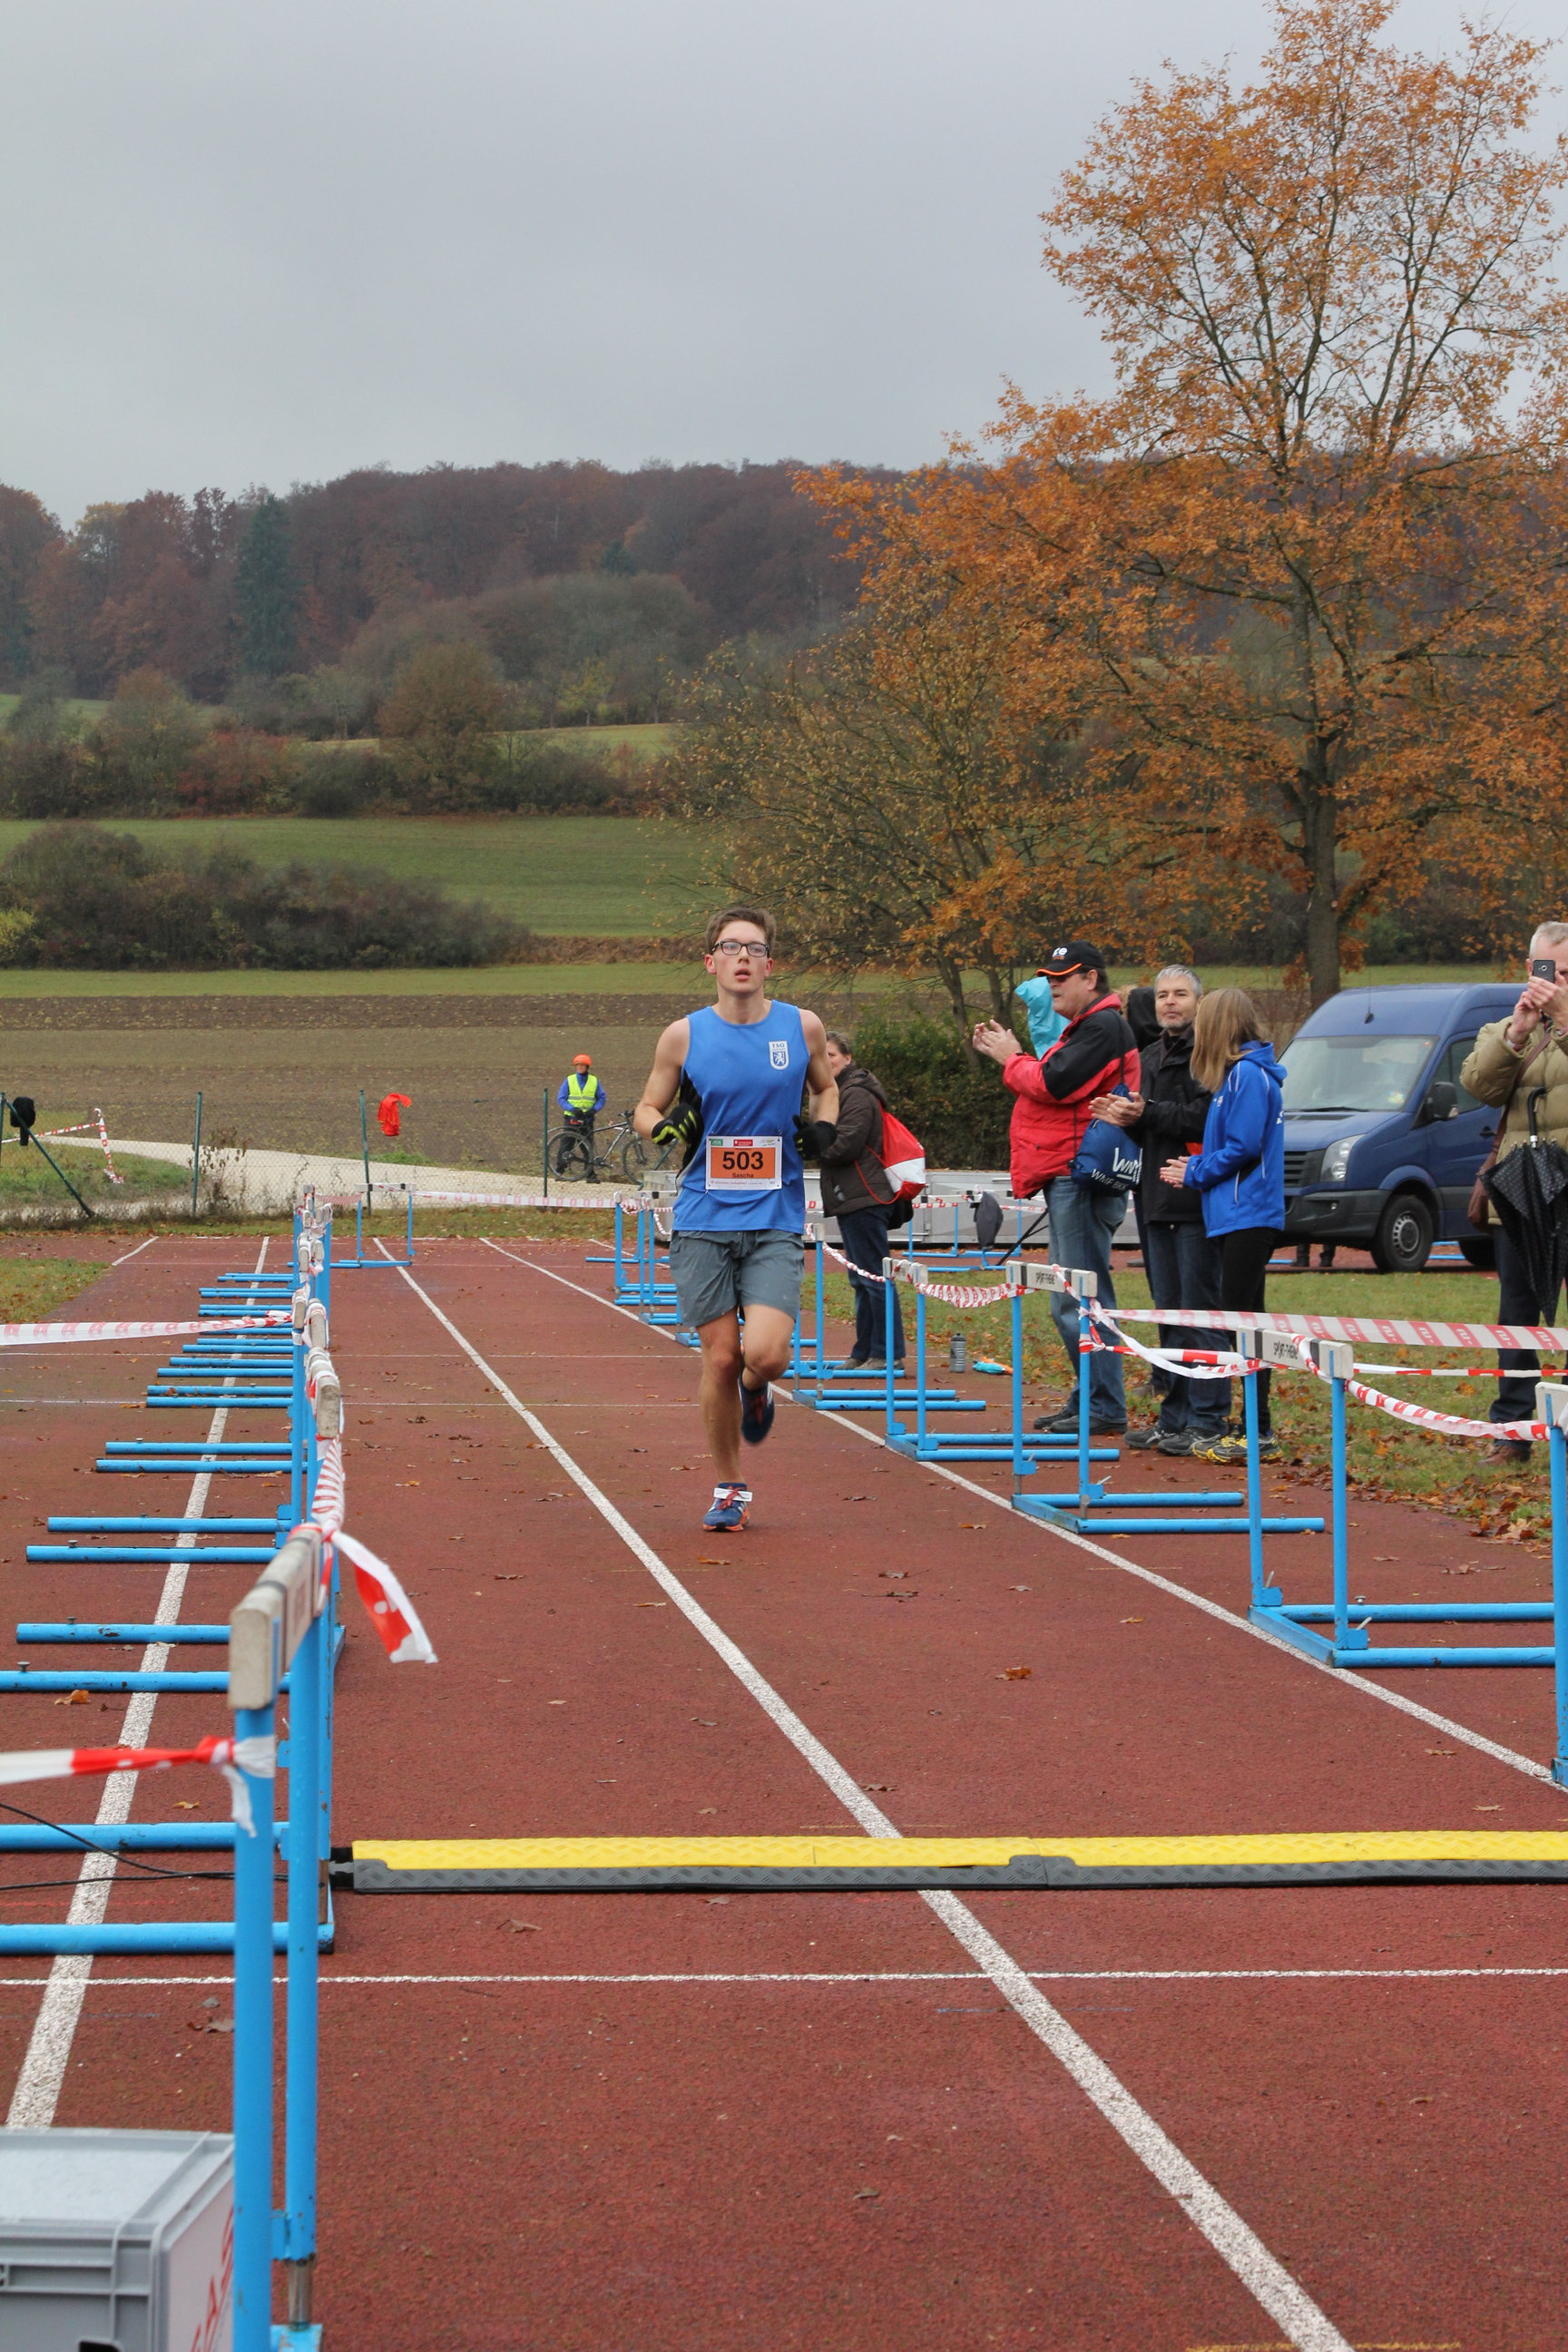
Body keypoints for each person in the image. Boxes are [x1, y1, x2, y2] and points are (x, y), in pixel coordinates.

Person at [633, 905, 839, 1532]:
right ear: (711, 962)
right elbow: (645, 1108)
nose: (742, 956)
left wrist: (824, 1128)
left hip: (775, 1214)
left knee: (767, 1355)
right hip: (704, 1216)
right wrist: (664, 1127)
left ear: (770, 964)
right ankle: (730, 1485)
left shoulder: (800, 1027)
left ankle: (758, 1387)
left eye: (754, 948)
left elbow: (826, 1088)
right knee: (720, 1358)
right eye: (730, 947)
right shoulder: (683, 1035)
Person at [972, 940, 1141, 1436]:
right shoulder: (1090, 1027)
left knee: (1078, 1299)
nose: (1053, 986)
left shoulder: (1102, 1026)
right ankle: (1092, 1397)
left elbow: (1051, 1083)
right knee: (1072, 1297)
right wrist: (1017, 1058)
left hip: (1080, 1176)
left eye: (1062, 978)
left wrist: (1012, 1057)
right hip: (1071, 1174)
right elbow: (1052, 1079)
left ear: (1092, 979)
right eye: (1048, 978)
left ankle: (1104, 1404)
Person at [1091, 965, 1227, 1455]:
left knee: (1201, 1315)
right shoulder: (1148, 1055)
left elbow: (1207, 1118)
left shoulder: (1211, 1055)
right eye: (1164, 995)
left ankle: (1209, 1420)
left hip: (1196, 1199)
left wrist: (1146, 1113)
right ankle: (1174, 1418)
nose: (1170, 1002)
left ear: (1199, 1001)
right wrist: (1121, 1118)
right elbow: (1146, 1123)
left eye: (1181, 994)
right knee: (1168, 1314)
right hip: (1153, 1198)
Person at [1160, 987, 1286, 1465]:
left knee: (1241, 1321)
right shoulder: (1234, 1078)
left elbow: (1243, 1146)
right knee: (1244, 1321)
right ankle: (1254, 1426)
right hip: (1236, 1213)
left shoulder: (1247, 1076)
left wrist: (1194, 1171)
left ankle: (1258, 1429)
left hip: (1250, 1213)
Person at [1461, 920, 1568, 1465]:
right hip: (1520, 1188)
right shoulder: (1507, 1025)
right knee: (1517, 1313)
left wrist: (1565, 1021)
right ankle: (1513, 1430)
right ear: (1530, 969)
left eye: (1567, 972)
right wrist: (1516, 1036)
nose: (1557, 982)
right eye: (1550, 970)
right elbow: (1478, 1085)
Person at [818, 1031, 906, 1372]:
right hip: (852, 1195)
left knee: (874, 1276)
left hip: (865, 1196)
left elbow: (847, 1144)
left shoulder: (856, 1093)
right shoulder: (835, 1092)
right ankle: (863, 1350)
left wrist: (813, 1145)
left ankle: (887, 1353)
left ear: (848, 1058)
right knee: (861, 1278)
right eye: (820, 1055)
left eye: (831, 1054)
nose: (825, 1061)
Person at [556, 1053, 603, 1177]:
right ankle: (559, 1171)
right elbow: (561, 1098)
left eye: (582, 1065)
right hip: (571, 1118)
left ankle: (590, 1174)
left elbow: (602, 1097)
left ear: (587, 1067)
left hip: (587, 1119)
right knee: (566, 1145)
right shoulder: (569, 1080)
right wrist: (572, 1109)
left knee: (587, 1147)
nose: (579, 1068)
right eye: (577, 1065)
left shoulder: (594, 1081)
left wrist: (594, 1109)